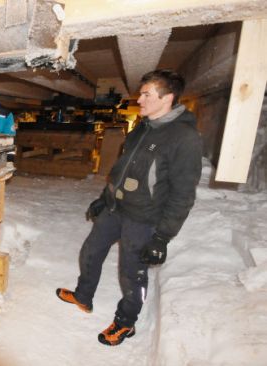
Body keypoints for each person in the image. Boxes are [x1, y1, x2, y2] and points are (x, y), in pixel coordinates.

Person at [56, 70, 203, 346]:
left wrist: (162, 237)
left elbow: (183, 194)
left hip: (144, 219)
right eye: (141, 93)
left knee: (131, 273)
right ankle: (83, 296)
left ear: (168, 97)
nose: (141, 99)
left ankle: (126, 323)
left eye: (147, 94)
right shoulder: (142, 128)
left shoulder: (185, 138)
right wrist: (104, 197)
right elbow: (120, 170)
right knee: (91, 251)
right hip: (115, 208)